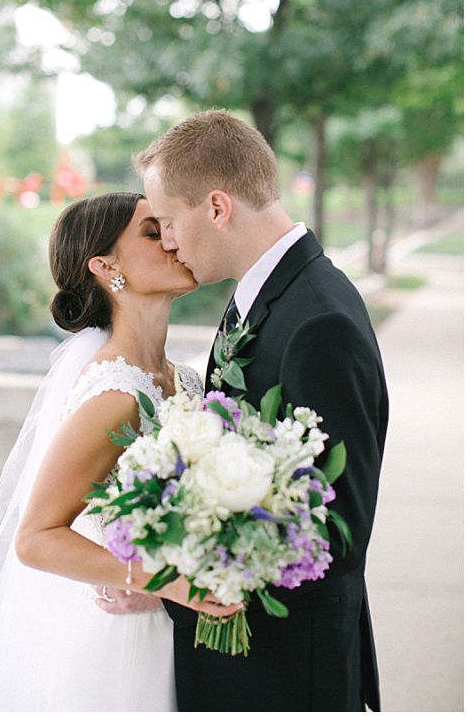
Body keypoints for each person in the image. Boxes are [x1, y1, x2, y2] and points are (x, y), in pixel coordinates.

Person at [0, 192, 240, 712]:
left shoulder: (187, 380)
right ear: (105, 266)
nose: (173, 239)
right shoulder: (117, 395)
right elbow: (36, 539)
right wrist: (173, 585)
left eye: (166, 226)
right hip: (120, 647)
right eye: (152, 232)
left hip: (167, 620)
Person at [134, 109, 388, 711]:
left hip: (287, 678)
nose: (167, 241)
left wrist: (176, 582)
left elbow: (334, 538)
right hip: (245, 666)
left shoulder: (320, 321)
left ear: (218, 208)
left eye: (168, 222)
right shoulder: (257, 298)